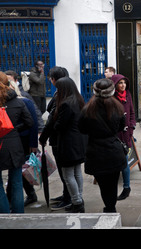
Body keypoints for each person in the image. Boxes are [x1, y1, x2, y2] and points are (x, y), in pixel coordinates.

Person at [79, 78, 127, 213]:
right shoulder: (118, 107)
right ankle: (111, 207)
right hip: (113, 150)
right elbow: (121, 126)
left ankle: (109, 206)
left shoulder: (87, 109)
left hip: (96, 151)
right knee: (112, 184)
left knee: (103, 185)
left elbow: (82, 128)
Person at [52, 77, 87, 213]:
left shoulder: (66, 104)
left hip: (69, 144)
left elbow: (60, 125)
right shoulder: (78, 100)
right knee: (77, 172)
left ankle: (77, 202)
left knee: (68, 174)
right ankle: (79, 198)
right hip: (78, 142)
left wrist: (54, 123)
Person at [39, 66, 71, 211]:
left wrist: (43, 137)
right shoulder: (64, 93)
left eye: (51, 78)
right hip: (62, 139)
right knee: (65, 171)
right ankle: (67, 194)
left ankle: (69, 197)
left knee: (66, 172)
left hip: (61, 140)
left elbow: (52, 122)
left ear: (54, 80)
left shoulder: (61, 97)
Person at [0, 72, 33, 213]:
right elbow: (29, 122)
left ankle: (4, 215)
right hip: (14, 144)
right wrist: (13, 129)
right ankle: (19, 215)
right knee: (17, 182)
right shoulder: (18, 101)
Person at [6, 81, 40, 207]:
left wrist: (33, 143)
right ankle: (28, 196)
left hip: (23, 141)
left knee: (20, 171)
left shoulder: (24, 102)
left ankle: (23, 197)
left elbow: (33, 123)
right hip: (12, 141)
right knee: (17, 173)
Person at [111, 74, 136, 200]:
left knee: (125, 161)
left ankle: (127, 187)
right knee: (116, 162)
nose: (123, 85)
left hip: (126, 134)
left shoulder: (128, 95)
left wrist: (131, 126)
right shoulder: (111, 97)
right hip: (115, 135)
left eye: (124, 83)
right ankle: (113, 189)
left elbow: (132, 112)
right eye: (120, 83)